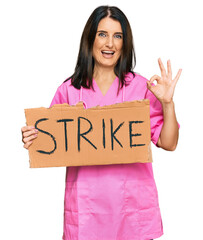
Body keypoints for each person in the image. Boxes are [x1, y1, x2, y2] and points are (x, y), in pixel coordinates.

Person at [21, 5, 181, 240]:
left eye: (118, 36)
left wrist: (167, 104)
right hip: (86, 216)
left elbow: (169, 143)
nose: (110, 44)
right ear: (90, 39)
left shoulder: (143, 88)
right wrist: (32, 137)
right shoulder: (69, 90)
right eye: (102, 34)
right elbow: (50, 139)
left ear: (125, 44)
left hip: (132, 214)